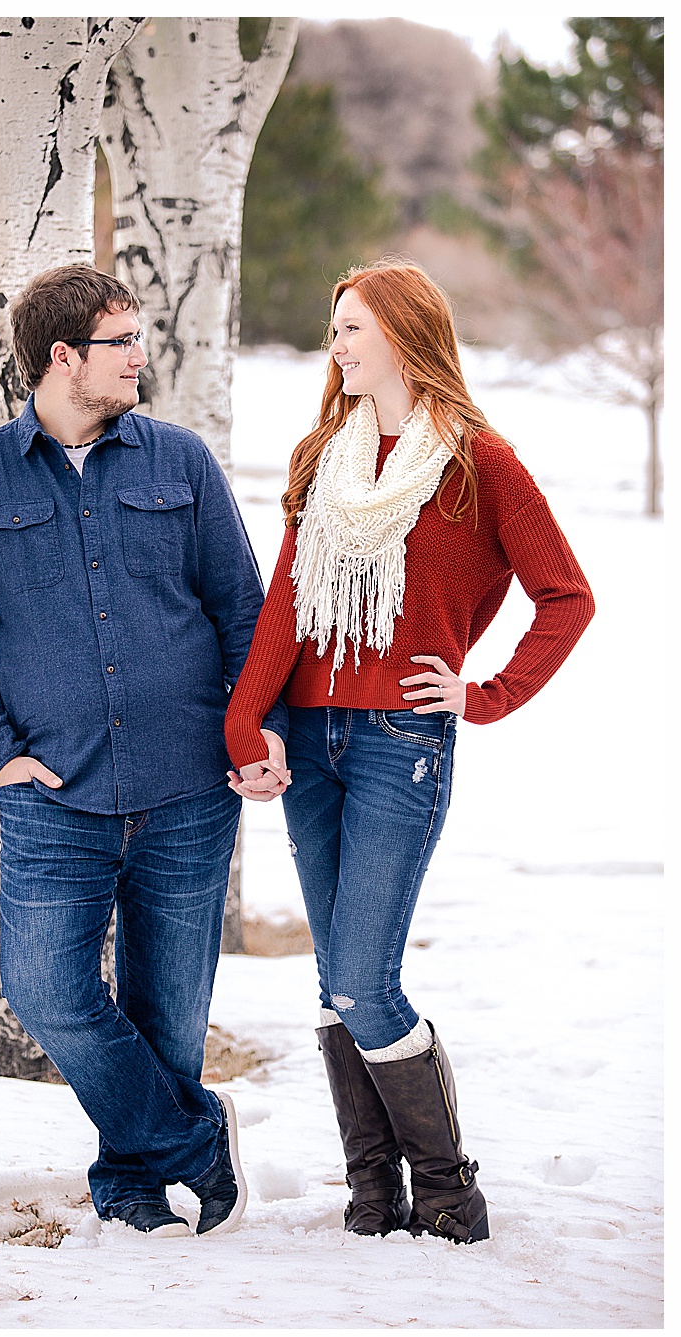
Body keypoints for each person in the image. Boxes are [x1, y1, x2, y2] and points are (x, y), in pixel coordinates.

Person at [224, 261, 594, 1244]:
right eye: (332, 328)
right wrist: (246, 719)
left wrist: (487, 692)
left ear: (402, 332)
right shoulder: (323, 455)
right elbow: (286, 606)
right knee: (332, 979)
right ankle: (373, 1189)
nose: (336, 345)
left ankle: (447, 1185)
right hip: (310, 736)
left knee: (361, 978)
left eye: (351, 327)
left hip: (401, 742)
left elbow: (568, 595)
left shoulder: (480, 462)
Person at [0, 263, 286, 1237]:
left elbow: (241, 608)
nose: (141, 356)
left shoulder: (179, 461)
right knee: (46, 987)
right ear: (63, 357)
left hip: (189, 785)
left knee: (166, 1014)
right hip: (52, 791)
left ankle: (127, 1183)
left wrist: (260, 734)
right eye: (122, 341)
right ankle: (193, 1140)